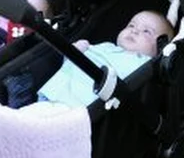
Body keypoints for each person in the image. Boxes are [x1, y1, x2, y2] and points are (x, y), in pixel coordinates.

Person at [35, 10, 175, 108]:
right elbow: (71, 64)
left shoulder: (143, 63)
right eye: (131, 25)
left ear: (159, 49)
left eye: (147, 31)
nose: (135, 30)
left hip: (76, 105)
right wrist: (76, 51)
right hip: (53, 93)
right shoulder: (107, 46)